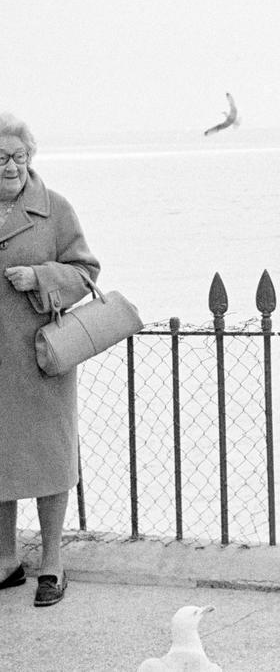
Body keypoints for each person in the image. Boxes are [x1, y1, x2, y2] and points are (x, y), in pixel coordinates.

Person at [0, 113, 99, 608]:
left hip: (39, 357)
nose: (11, 166)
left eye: (19, 157)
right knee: (0, 457)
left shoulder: (55, 209)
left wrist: (39, 276)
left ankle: (53, 563)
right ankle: (6, 561)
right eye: (0, 158)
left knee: (49, 458)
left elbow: (86, 273)